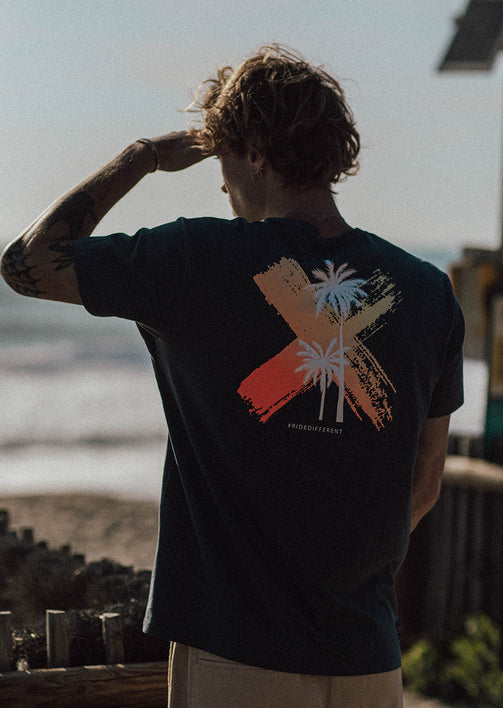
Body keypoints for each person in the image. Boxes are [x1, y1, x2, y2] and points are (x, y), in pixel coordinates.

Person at [1, 45, 463, 707]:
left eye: (222, 158)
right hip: (368, 662)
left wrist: (143, 156)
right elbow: (423, 484)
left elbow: (28, 263)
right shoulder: (424, 293)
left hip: (236, 660)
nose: (222, 186)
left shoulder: (198, 259)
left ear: (254, 152)